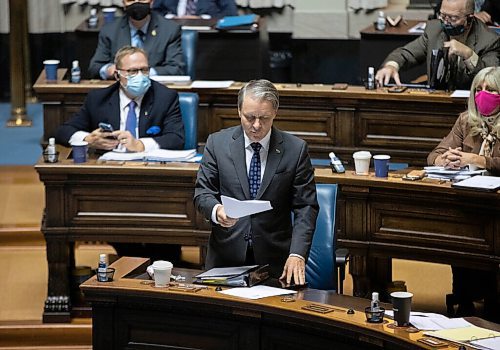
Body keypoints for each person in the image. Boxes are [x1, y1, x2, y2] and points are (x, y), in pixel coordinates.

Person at [57, 46, 185, 263]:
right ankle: (133, 262)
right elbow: (63, 131)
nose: (140, 77)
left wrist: (140, 144)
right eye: (132, 72)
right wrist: (89, 138)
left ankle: (158, 262)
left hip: (154, 181)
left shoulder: (165, 97)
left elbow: (177, 138)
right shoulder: (98, 98)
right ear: (117, 74)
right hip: (114, 182)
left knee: (162, 240)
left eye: (144, 70)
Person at [194, 79, 319, 285]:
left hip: (275, 262)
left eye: (264, 118)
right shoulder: (217, 143)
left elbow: (306, 206)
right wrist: (217, 211)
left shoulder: (295, 149)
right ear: (238, 111)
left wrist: (297, 254)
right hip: (225, 258)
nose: (257, 126)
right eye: (250, 117)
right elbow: (202, 193)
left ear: (275, 113)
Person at [427, 66, 500, 321]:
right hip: (469, 201)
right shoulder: (466, 120)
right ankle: (465, 300)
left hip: (496, 205)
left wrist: (479, 160)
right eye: (478, 89)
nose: (483, 95)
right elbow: (434, 154)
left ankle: (493, 305)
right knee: (459, 239)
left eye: (490, 90)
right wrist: (445, 160)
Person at [375, 0, 499, 90]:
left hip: (471, 108)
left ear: (469, 19)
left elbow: (492, 80)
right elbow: (407, 53)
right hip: (437, 102)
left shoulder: (489, 40)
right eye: (443, 16)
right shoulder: (434, 29)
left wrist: (469, 55)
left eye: (453, 18)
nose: (446, 22)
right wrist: (391, 66)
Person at [88, 0, 185, 80]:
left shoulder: (169, 30)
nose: (137, 2)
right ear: (124, 4)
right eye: (130, 0)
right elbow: (95, 67)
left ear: (152, 2)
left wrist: (141, 73)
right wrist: (108, 70)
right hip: (119, 90)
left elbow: (176, 69)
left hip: (155, 90)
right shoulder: (110, 30)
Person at [153, 0, 238, 19]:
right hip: (171, 33)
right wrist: (172, 18)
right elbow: (155, 11)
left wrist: (202, 19)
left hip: (207, 37)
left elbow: (231, 13)